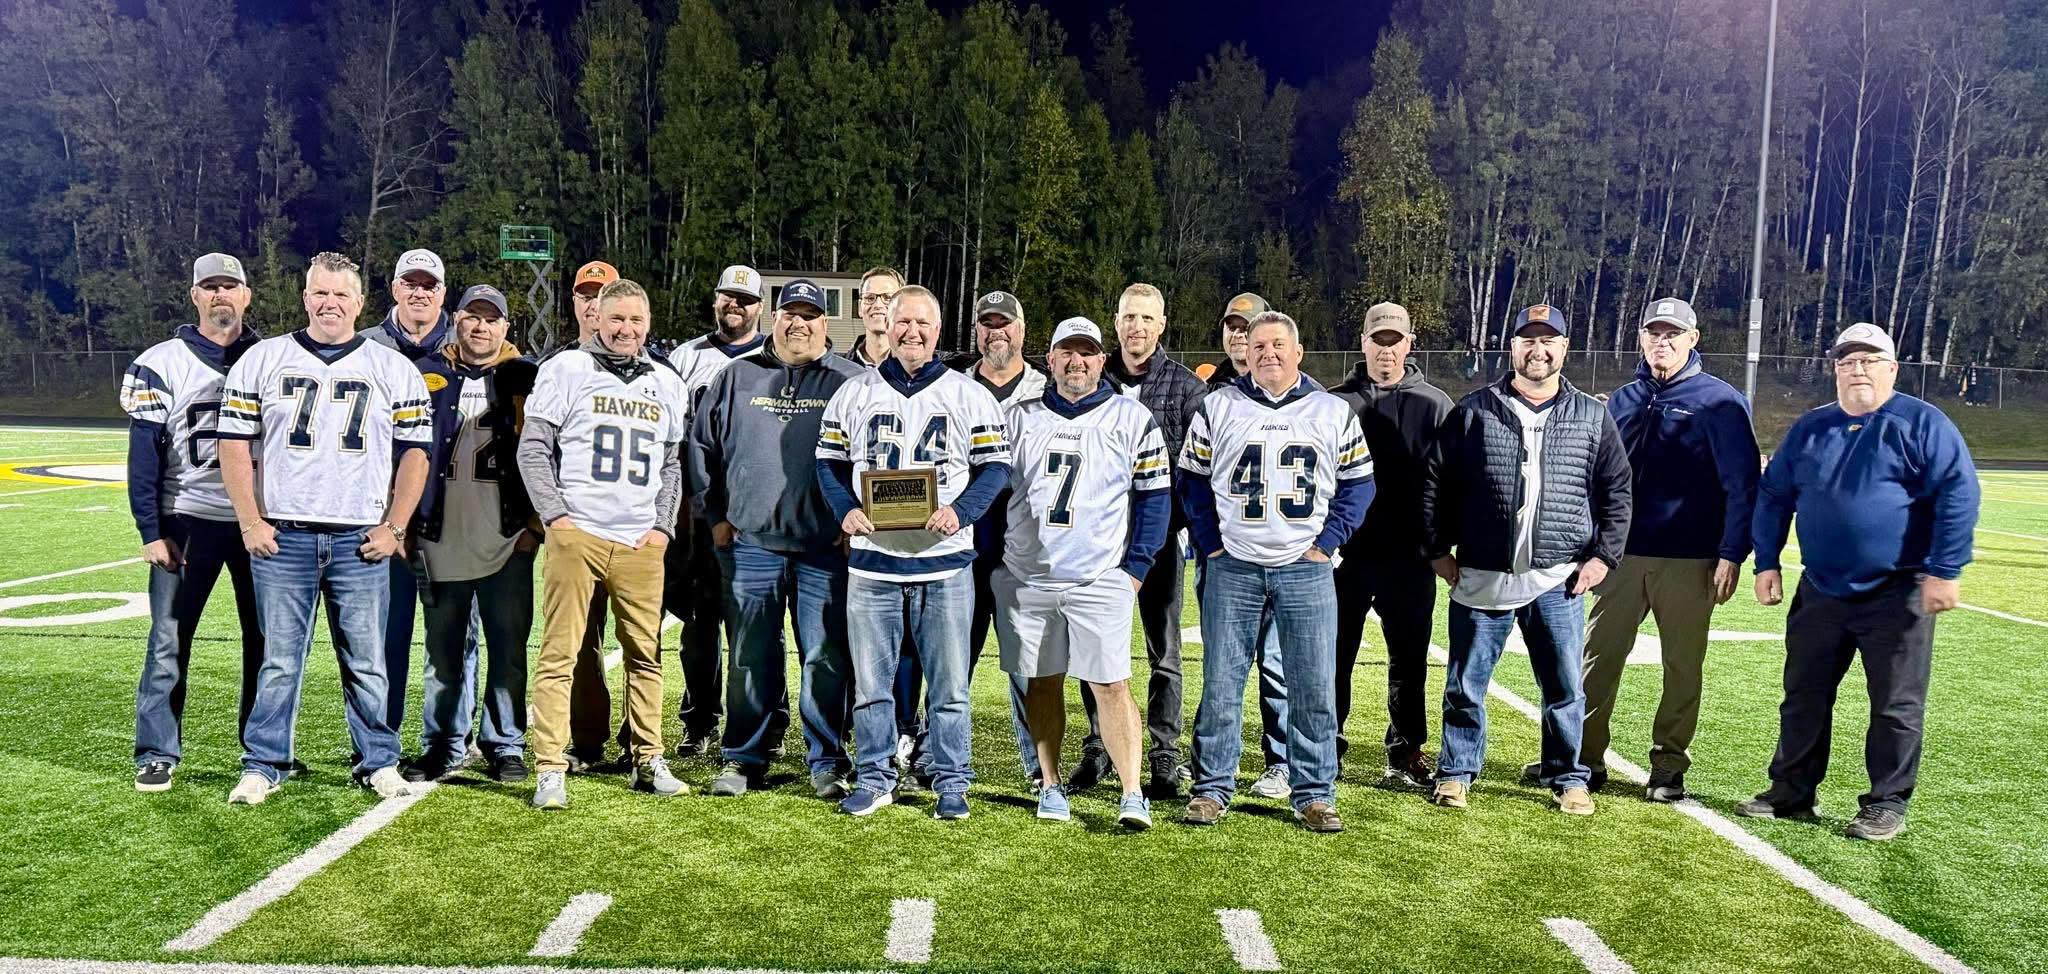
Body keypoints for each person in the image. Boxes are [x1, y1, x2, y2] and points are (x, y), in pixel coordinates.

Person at [1738, 322, 1978, 841]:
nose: (1858, 369)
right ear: (1835, 371)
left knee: (1894, 703)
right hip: (1822, 587)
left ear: (1892, 368)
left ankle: (1886, 803)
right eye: (1848, 361)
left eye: (1870, 360)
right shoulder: (1810, 428)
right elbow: (1775, 496)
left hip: (1897, 590)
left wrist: (1944, 569)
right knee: (1803, 694)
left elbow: (1957, 495)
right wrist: (1766, 563)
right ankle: (1791, 793)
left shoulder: (1923, 424)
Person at [215, 251, 432, 804]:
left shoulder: (392, 368)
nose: (330, 303)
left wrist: (395, 528)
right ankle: (264, 762)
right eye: (320, 293)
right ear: (304, 297)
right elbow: (233, 442)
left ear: (360, 302)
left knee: (367, 661)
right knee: (280, 660)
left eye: (341, 295)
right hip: (284, 535)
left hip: (359, 538)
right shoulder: (264, 359)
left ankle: (377, 760)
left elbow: (416, 454)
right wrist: (249, 521)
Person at [1422, 304, 1632, 817]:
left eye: (1549, 341)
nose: (1538, 350)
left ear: (1563, 348)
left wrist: (1603, 556)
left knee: (1563, 686)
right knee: (1466, 684)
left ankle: (1568, 775)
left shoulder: (1591, 414)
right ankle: (1456, 772)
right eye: (1527, 340)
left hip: (1557, 576)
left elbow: (1617, 490)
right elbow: (1434, 482)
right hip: (1482, 573)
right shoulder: (1474, 409)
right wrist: (1434, 550)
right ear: (1512, 347)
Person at [815, 285, 1012, 820]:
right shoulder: (855, 393)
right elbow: (828, 463)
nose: (912, 332)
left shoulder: (969, 395)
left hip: (944, 560)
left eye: (923, 323)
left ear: (938, 329)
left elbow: (995, 468)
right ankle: (875, 775)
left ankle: (952, 781)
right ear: (888, 324)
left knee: (949, 687)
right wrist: (845, 511)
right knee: (872, 686)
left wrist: (962, 511)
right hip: (873, 561)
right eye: (904, 322)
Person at [1179, 311, 1374, 833]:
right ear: (1247, 350)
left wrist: (1327, 543)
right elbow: (1192, 482)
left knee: (1312, 683)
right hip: (1234, 566)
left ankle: (1313, 792)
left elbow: (1360, 484)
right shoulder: (1217, 405)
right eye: (1258, 344)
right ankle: (1212, 787)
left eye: (1277, 345)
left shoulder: (1332, 411)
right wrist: (1211, 544)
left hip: (1304, 569)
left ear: (1298, 352)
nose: (1267, 353)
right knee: (1221, 680)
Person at [1572, 297, 1758, 802]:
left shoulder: (1720, 402)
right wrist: (1591, 545)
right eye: (1655, 332)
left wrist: (1732, 552)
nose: (1663, 341)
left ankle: (1668, 767)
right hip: (1622, 556)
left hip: (1691, 559)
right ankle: (1583, 761)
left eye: (1673, 333)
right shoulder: (1624, 399)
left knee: (1682, 666)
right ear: (1641, 338)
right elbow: (1599, 479)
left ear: (1693, 339)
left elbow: (1743, 485)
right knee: (1598, 659)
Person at [520, 279, 692, 810]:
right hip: (581, 533)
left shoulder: (666, 382)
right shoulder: (565, 369)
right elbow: (534, 449)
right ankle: (550, 766)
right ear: (596, 318)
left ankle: (647, 756)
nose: (626, 330)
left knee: (647, 655)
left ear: (648, 323)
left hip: (640, 538)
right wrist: (558, 519)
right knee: (560, 654)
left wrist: (662, 528)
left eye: (636, 321)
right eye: (616, 319)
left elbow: (669, 464)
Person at [689, 280, 863, 799]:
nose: (799, 324)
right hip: (752, 545)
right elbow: (702, 447)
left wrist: (854, 523)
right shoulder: (736, 376)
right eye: (791, 313)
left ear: (825, 325)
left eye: (811, 315)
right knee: (749, 654)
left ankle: (827, 759)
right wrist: (715, 515)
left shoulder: (850, 382)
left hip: (822, 548)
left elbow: (872, 458)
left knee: (826, 657)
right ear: (774, 318)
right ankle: (744, 757)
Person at [998, 317, 1169, 830]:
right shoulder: (1018, 418)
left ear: (1102, 359)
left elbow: (1155, 499)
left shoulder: (1131, 418)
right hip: (1031, 577)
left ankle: (1133, 790)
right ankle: (1049, 784)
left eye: (1088, 352)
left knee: (1111, 684)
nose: (1077, 362)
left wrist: (1134, 569)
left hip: (1099, 578)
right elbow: (992, 491)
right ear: (1048, 361)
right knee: (1042, 682)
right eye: (1066, 352)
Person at [123, 252, 265, 793]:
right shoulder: (162, 361)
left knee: (268, 641)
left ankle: (262, 751)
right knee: (167, 639)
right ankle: (157, 750)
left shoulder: (272, 357)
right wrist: (149, 529)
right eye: (211, 287)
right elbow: (143, 453)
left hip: (258, 521)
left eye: (230, 286)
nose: (221, 295)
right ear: (196, 295)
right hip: (186, 518)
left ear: (247, 295)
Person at [404, 285, 540, 785]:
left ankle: (504, 742)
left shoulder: (528, 376)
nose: (480, 327)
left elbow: (548, 454)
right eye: (472, 317)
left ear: (506, 327)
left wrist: (533, 526)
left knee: (507, 645)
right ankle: (442, 742)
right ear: (455, 320)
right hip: (441, 533)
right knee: (443, 650)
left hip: (506, 534)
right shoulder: (425, 374)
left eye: (491, 319)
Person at [1328, 302, 1453, 787]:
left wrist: (1438, 544)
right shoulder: (1336, 403)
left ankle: (1405, 751)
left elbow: (1448, 483)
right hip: (1347, 554)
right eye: (1377, 340)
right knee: (1333, 656)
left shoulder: (1435, 404)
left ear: (1409, 343)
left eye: (1394, 340)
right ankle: (1328, 745)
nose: (1386, 349)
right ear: (1363, 342)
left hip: (1408, 556)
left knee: (1409, 658)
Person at [1097, 282, 1209, 798]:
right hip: (1098, 541)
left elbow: (1197, 469)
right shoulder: (1094, 377)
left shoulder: (1187, 388)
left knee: (1163, 651)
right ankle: (1098, 748)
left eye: (1146, 318)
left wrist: (1173, 524)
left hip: (1160, 541)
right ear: (1115, 322)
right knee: (1097, 648)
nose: (1136, 327)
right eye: (1128, 317)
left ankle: (1164, 756)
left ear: (1161, 325)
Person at [667, 264, 772, 758]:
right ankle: (700, 718)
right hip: (698, 513)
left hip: (757, 510)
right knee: (700, 622)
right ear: (715, 301)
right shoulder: (684, 357)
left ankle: (765, 722)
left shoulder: (777, 357)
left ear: (759, 307)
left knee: (757, 626)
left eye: (746, 299)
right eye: (728, 297)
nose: (736, 305)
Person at [1197, 291, 1292, 801]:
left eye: (1249, 328)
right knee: (1222, 666)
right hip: (1225, 557)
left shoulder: (1299, 394)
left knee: (1277, 664)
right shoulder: (1209, 390)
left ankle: (1281, 761)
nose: (1240, 336)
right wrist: (1210, 543)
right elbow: (1193, 473)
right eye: (1234, 327)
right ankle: (1215, 767)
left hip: (1280, 555)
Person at [363, 249, 458, 749]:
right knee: (382, 640)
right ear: (394, 288)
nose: (419, 292)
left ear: (442, 293)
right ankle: (380, 739)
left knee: (453, 641)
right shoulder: (364, 349)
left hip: (451, 523)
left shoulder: (468, 349)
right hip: (380, 522)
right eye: (410, 283)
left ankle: (447, 742)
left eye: (430, 284)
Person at [561, 259, 626, 769]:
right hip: (576, 527)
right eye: (585, 295)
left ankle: (639, 740)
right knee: (580, 640)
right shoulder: (557, 366)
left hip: (631, 530)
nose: (592, 304)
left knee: (638, 637)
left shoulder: (652, 368)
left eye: (601, 295)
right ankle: (586, 738)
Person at [850, 266, 903, 367]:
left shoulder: (923, 368)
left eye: (888, 298)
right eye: (870, 298)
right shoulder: (839, 372)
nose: (878, 305)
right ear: (860, 308)